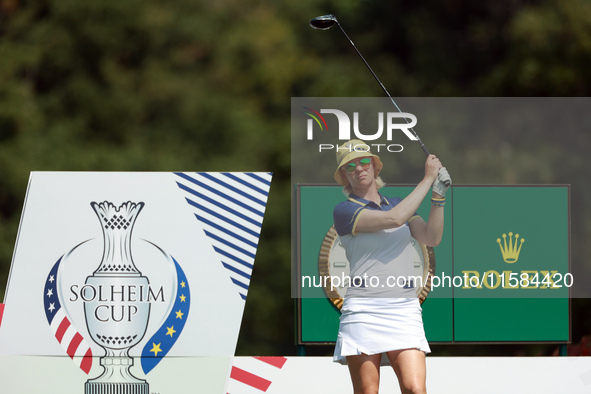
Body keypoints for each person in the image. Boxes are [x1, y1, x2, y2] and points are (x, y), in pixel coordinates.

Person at [332, 139, 451, 394]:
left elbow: (432, 238)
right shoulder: (344, 211)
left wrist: (438, 197)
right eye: (350, 166)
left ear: (375, 167)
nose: (359, 168)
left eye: (365, 161)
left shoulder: (398, 202)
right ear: (344, 175)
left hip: (404, 309)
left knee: (415, 388)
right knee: (368, 391)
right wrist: (428, 179)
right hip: (363, 311)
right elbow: (394, 219)